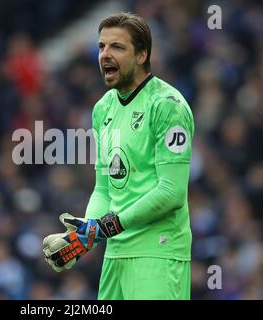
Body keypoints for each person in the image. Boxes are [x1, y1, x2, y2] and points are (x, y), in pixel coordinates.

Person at [43, 12, 194, 300]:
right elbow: (105, 188)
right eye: (101, 47)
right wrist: (86, 234)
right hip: (116, 253)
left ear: (141, 55)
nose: (105, 55)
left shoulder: (167, 106)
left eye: (117, 47)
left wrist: (106, 226)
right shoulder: (103, 108)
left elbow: (171, 192)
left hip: (157, 252)